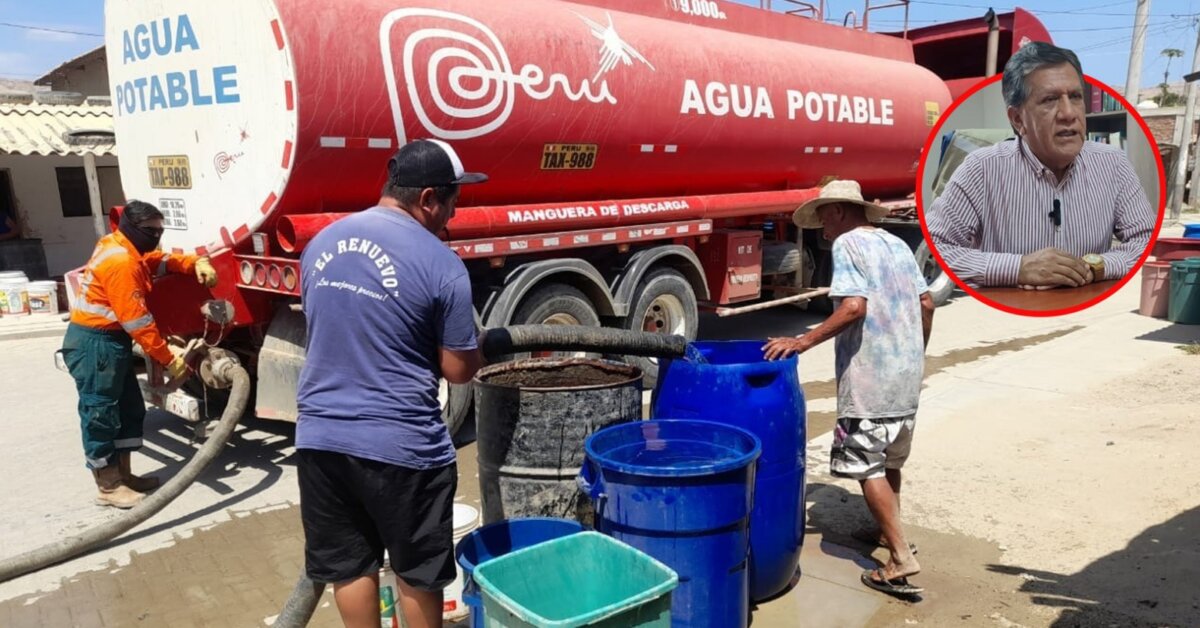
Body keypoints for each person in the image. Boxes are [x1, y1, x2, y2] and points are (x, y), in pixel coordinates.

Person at [296, 139, 487, 628]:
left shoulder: (322, 242)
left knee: (350, 567)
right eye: (453, 200)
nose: (453, 213)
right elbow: (459, 371)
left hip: (320, 440)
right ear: (428, 199)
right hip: (402, 449)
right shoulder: (441, 263)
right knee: (418, 574)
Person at [764, 179, 934, 597]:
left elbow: (854, 306)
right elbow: (925, 303)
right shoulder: (895, 243)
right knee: (890, 455)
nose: (822, 227)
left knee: (867, 464)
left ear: (839, 211)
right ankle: (885, 530)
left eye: (823, 216)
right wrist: (914, 352)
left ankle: (899, 557)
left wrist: (801, 341)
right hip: (906, 375)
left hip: (870, 378)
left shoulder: (847, 246)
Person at [926, 42, 1154, 289]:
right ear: (1018, 119)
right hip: (1008, 317)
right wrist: (1017, 268)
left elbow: (1146, 239)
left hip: (1088, 314)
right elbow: (937, 247)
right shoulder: (981, 169)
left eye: (1075, 97)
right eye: (1050, 99)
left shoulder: (1113, 164)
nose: (1068, 113)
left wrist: (1094, 267)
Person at [62, 200, 218, 508]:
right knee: (101, 413)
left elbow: (155, 261)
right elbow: (139, 323)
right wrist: (168, 359)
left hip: (110, 342)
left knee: (129, 409)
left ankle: (124, 475)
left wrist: (191, 263)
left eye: (160, 229)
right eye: (150, 230)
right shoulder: (121, 263)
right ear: (131, 227)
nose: (156, 236)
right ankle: (108, 486)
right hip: (96, 344)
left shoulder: (122, 246)